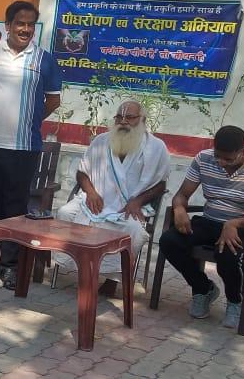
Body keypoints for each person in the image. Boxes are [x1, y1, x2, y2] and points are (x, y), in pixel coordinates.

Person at [0, 0, 62, 289]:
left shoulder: (44, 60)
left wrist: (28, 119)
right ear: (8, 26)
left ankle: (9, 266)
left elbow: (53, 100)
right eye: (20, 23)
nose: (25, 29)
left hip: (23, 147)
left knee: (15, 208)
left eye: (30, 24)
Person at [161, 125, 244, 328]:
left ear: (243, 151)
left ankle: (235, 301)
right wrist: (179, 208)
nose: (221, 162)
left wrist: (234, 223)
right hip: (209, 220)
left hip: (242, 225)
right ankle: (203, 288)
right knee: (169, 241)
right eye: (218, 156)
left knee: (227, 253)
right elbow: (182, 194)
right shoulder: (203, 158)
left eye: (228, 159)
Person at [53, 101, 168, 290]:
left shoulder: (156, 147)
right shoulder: (101, 141)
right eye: (119, 117)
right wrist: (91, 192)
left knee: (134, 230)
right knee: (65, 213)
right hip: (94, 199)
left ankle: (112, 279)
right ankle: (76, 265)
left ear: (142, 120)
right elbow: (82, 172)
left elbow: (160, 184)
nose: (123, 122)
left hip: (129, 205)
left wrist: (137, 201)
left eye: (129, 117)